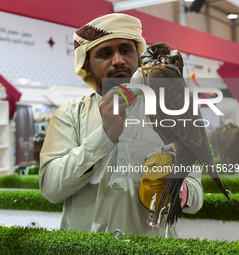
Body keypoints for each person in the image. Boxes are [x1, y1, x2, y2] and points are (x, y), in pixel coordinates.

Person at [39, 13, 203, 238]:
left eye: (126, 50)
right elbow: (51, 189)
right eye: (105, 54)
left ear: (139, 57)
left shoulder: (171, 108)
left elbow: (195, 192)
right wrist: (105, 136)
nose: (118, 60)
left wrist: (178, 190)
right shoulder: (69, 115)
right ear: (86, 64)